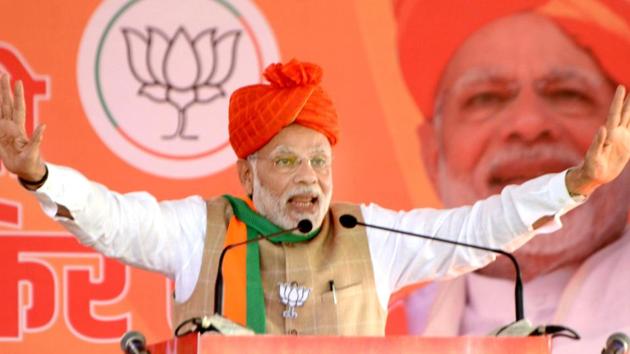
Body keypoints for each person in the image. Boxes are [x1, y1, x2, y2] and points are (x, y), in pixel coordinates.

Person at [0, 58, 628, 336]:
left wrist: (576, 184)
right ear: (247, 177)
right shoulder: (200, 232)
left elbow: (481, 228)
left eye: (320, 160)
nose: (310, 177)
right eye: (288, 161)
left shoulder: (369, 235)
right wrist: (40, 176)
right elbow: (113, 219)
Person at [395, 0, 630, 352]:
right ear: (432, 154)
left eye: (568, 94)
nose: (529, 125)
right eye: (486, 98)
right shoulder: (378, 335)